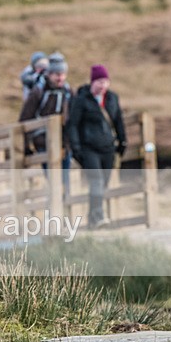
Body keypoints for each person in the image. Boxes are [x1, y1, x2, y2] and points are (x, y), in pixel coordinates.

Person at [67, 64, 127, 229]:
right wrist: (76, 148)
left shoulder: (112, 98)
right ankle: (99, 215)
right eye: (99, 81)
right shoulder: (81, 100)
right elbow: (72, 124)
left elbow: (118, 120)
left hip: (108, 147)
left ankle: (93, 218)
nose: (102, 86)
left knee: (104, 183)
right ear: (92, 82)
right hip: (89, 148)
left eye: (105, 81)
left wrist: (123, 141)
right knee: (96, 181)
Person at [19, 52, 73, 195]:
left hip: (63, 142)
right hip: (43, 141)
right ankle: (56, 212)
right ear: (49, 74)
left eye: (62, 74)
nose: (60, 78)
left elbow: (73, 116)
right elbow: (25, 119)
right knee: (54, 183)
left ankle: (64, 213)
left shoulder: (67, 91)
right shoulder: (39, 91)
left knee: (65, 184)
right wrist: (25, 146)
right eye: (56, 74)